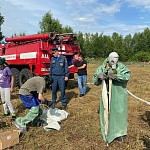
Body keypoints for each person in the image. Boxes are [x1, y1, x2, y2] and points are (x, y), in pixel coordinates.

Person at [92, 52, 130, 144]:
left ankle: (118, 133)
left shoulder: (121, 67)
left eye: (117, 59)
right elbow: (94, 81)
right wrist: (98, 77)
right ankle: (106, 129)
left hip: (118, 94)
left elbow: (127, 76)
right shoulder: (102, 67)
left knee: (119, 113)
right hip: (106, 94)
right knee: (106, 110)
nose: (115, 62)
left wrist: (116, 76)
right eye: (113, 59)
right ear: (109, 59)